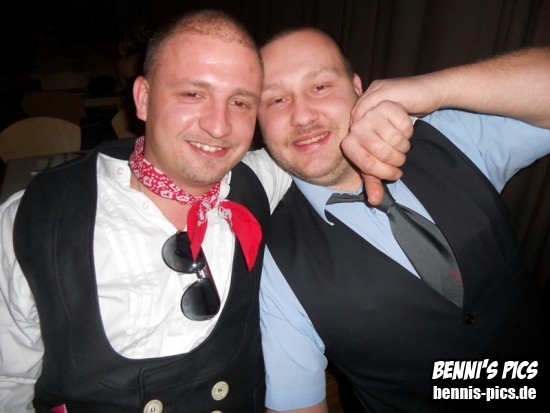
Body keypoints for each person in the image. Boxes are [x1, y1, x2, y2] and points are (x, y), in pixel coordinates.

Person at [0, 9, 296, 412]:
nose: (219, 126)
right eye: (193, 94)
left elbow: (327, 135)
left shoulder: (258, 180)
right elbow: (8, 385)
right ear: (142, 98)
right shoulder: (33, 220)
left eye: (240, 102)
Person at [257, 27, 550, 412]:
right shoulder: (272, 263)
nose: (302, 116)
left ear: (358, 89)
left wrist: (434, 89)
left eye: (320, 87)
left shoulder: (450, 136)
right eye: (276, 99)